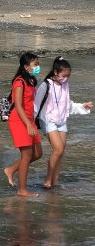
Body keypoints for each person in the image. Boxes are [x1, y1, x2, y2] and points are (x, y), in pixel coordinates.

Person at [35, 56, 93, 189]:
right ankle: (48, 180)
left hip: (61, 121)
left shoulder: (65, 85)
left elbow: (67, 104)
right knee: (58, 149)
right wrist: (29, 123)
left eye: (68, 76)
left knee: (61, 151)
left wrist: (83, 106)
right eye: (63, 75)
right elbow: (36, 106)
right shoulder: (46, 85)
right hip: (48, 120)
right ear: (55, 73)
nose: (66, 78)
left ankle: (55, 180)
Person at [3, 52, 43, 197]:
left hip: (29, 119)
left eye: (38, 63)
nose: (38, 66)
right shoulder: (19, 82)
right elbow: (18, 106)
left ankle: (11, 169)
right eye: (35, 64)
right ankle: (22, 189)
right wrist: (28, 124)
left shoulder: (31, 81)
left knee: (38, 153)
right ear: (26, 67)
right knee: (27, 155)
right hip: (20, 120)